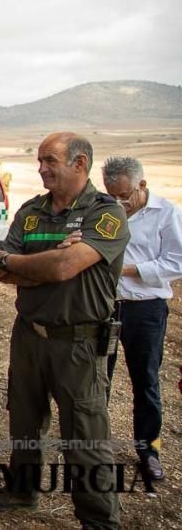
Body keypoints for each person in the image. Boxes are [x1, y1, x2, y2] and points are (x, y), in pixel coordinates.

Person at [0, 132, 127, 530]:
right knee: (23, 420)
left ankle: (98, 520)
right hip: (29, 334)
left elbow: (63, 268)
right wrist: (47, 257)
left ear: (79, 164)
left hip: (78, 342)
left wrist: (24, 262)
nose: (41, 168)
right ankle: (21, 491)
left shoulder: (105, 214)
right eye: (40, 161)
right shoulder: (30, 212)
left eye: (50, 161)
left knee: (84, 434)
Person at [101, 156, 182, 481]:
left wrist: (129, 270)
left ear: (142, 185)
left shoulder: (167, 213)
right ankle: (95, 449)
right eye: (113, 196)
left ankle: (149, 452)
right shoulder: (105, 210)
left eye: (125, 195)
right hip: (105, 306)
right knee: (98, 378)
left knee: (145, 381)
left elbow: (176, 262)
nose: (119, 202)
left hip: (146, 309)